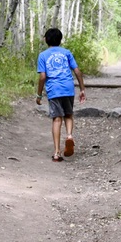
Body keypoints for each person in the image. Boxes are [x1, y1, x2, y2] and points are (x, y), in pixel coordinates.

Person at [35, 28, 86, 162]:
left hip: (54, 89)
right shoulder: (66, 53)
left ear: (46, 40)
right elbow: (77, 72)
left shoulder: (43, 55)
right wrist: (82, 89)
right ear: (60, 40)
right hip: (68, 88)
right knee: (68, 114)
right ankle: (69, 136)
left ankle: (57, 152)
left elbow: (42, 77)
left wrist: (39, 95)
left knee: (57, 119)